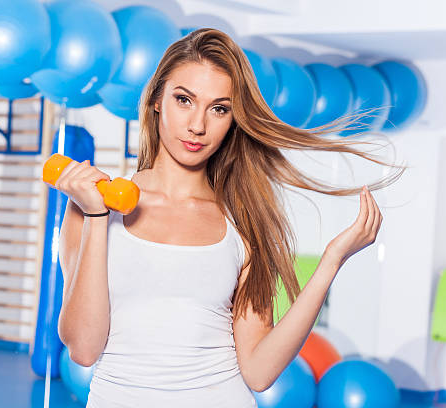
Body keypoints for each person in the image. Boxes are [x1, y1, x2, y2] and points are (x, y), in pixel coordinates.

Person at [54, 28, 405, 408]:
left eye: (219, 108)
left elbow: (259, 370)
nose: (198, 125)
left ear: (234, 118)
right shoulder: (94, 207)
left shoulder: (243, 223)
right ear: (157, 100)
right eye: (184, 99)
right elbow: (84, 348)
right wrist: (94, 215)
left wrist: (330, 263)